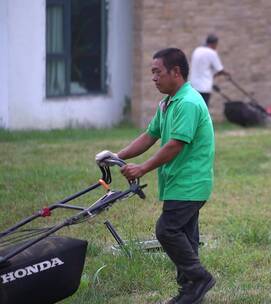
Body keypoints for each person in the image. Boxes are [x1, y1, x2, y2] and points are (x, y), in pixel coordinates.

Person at [95, 47, 215, 304]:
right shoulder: (168, 103)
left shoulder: (189, 103)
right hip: (177, 182)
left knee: (167, 230)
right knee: (186, 237)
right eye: (152, 73)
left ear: (176, 72)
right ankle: (191, 292)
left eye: (157, 72)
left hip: (190, 183)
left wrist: (142, 168)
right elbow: (150, 136)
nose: (153, 78)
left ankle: (200, 279)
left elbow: (175, 145)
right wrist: (118, 156)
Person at [189, 34, 230, 107]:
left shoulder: (197, 50)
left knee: (194, 107)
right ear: (214, 43)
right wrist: (227, 73)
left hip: (193, 85)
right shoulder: (211, 52)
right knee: (203, 109)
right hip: (204, 87)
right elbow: (219, 69)